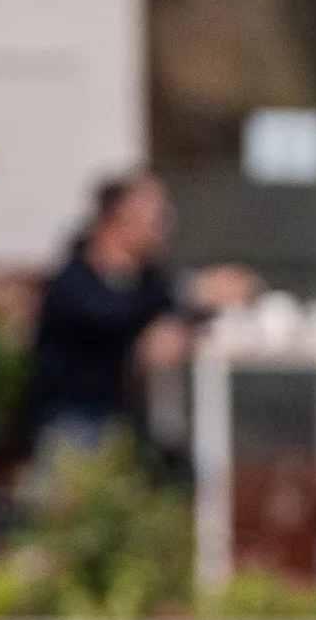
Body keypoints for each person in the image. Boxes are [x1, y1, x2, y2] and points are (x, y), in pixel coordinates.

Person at [28, 170, 253, 452]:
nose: (164, 224)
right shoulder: (74, 280)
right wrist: (193, 294)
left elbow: (165, 309)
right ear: (119, 216)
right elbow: (113, 314)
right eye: (155, 215)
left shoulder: (149, 278)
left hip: (130, 422)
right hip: (77, 422)